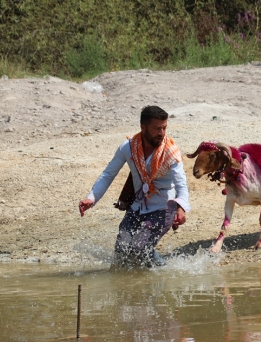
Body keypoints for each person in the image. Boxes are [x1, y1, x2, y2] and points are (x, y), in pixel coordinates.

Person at [79, 105, 190, 267]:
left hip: (163, 207)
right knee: (122, 249)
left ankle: (165, 273)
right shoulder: (128, 147)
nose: (162, 133)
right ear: (143, 127)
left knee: (140, 247)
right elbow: (108, 174)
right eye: (157, 128)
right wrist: (91, 199)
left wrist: (181, 208)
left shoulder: (170, 151)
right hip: (137, 206)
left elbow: (181, 182)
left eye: (164, 128)